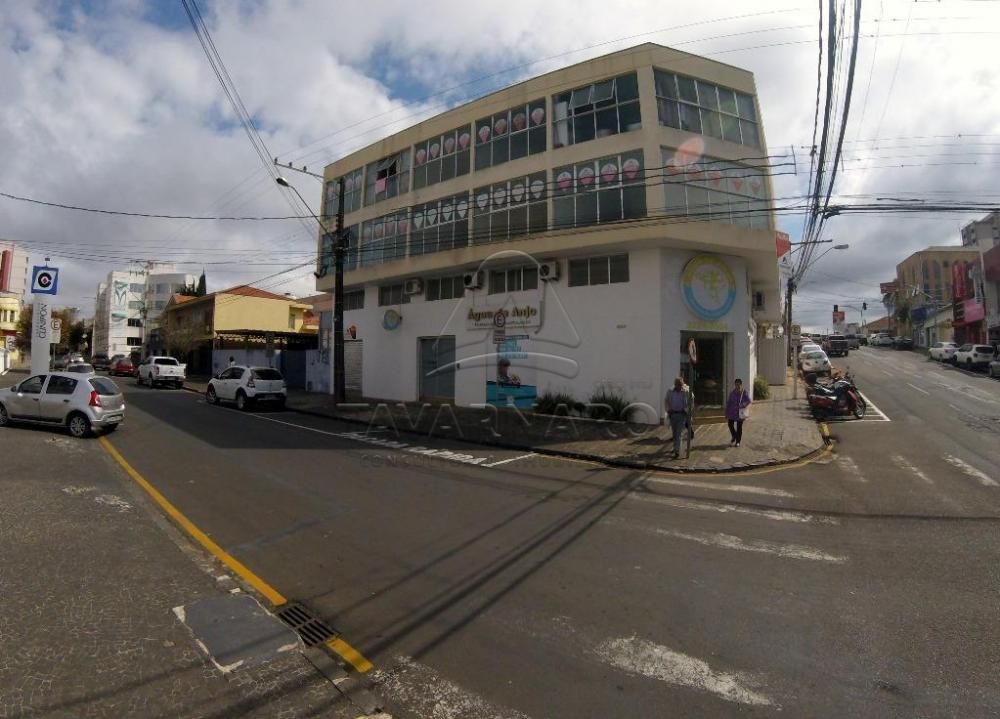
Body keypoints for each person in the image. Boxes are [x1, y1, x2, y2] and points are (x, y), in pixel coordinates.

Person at [665, 377, 693, 459]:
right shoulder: (670, 391)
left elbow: (691, 402)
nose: (679, 387)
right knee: (674, 434)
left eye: (680, 385)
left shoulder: (686, 391)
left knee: (679, 433)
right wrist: (668, 410)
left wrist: (686, 410)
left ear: (682, 384)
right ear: (675, 385)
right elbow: (666, 401)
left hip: (682, 415)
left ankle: (677, 451)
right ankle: (675, 448)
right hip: (673, 414)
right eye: (677, 385)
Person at [725, 378, 752, 447]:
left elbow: (749, 401)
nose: (737, 386)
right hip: (732, 413)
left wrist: (742, 405)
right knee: (730, 424)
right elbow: (729, 403)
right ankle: (734, 436)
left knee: (739, 427)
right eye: (736, 385)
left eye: (739, 385)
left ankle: (738, 441)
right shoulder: (732, 393)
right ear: (735, 385)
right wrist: (726, 413)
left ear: (741, 385)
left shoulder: (744, 392)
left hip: (740, 413)